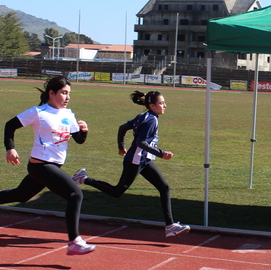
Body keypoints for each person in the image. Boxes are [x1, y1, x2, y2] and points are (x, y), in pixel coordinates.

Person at [0, 76, 95, 256]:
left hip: (53, 166)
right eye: (64, 93)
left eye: (69, 93)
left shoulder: (69, 114)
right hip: (41, 165)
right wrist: (10, 149)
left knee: (22, 195)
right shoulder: (38, 112)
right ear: (51, 93)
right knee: (75, 195)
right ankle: (74, 241)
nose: (67, 97)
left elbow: (78, 140)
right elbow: (10, 125)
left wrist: (84, 131)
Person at [73, 90, 190, 238]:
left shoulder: (143, 116)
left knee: (164, 187)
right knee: (117, 192)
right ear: (152, 105)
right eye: (161, 103)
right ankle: (83, 178)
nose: (165, 105)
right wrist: (161, 154)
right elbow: (140, 143)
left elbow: (122, 128)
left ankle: (170, 226)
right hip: (135, 161)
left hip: (144, 161)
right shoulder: (151, 120)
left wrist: (121, 146)